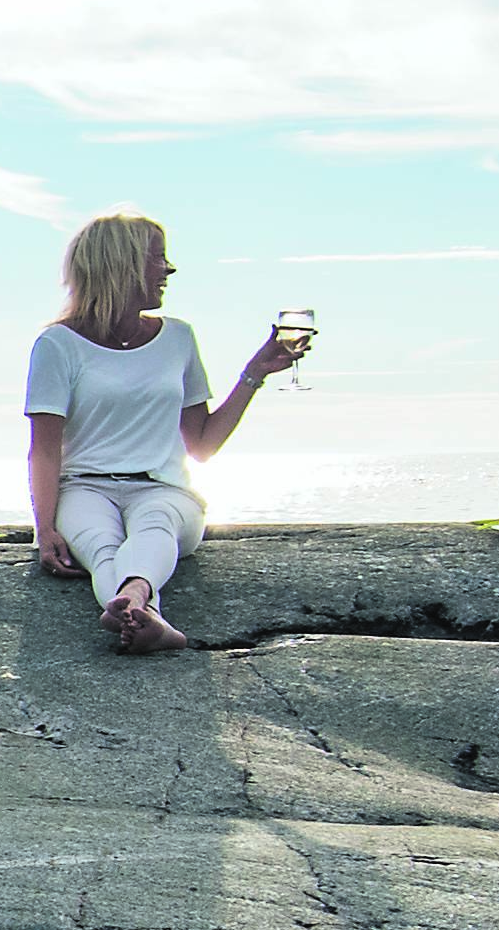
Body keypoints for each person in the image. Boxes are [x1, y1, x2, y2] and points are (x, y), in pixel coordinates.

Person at [19, 210, 302, 655]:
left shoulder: (179, 339)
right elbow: (44, 450)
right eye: (158, 259)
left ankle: (132, 600)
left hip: (165, 491)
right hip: (84, 489)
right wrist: (45, 528)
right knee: (99, 545)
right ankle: (146, 613)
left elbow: (202, 445)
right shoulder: (57, 345)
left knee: (156, 523)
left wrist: (255, 374)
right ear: (121, 264)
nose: (168, 270)